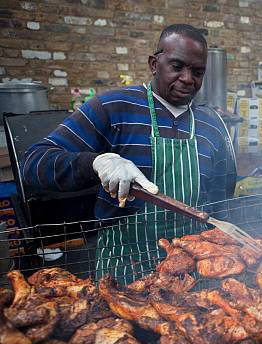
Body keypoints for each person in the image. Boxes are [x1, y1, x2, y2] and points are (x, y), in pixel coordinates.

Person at [23, 24, 236, 283]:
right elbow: (34, 163)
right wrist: (96, 163)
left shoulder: (210, 124)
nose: (188, 78)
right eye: (177, 66)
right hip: (124, 272)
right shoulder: (113, 108)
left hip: (190, 272)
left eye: (198, 71)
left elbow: (220, 202)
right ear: (154, 64)